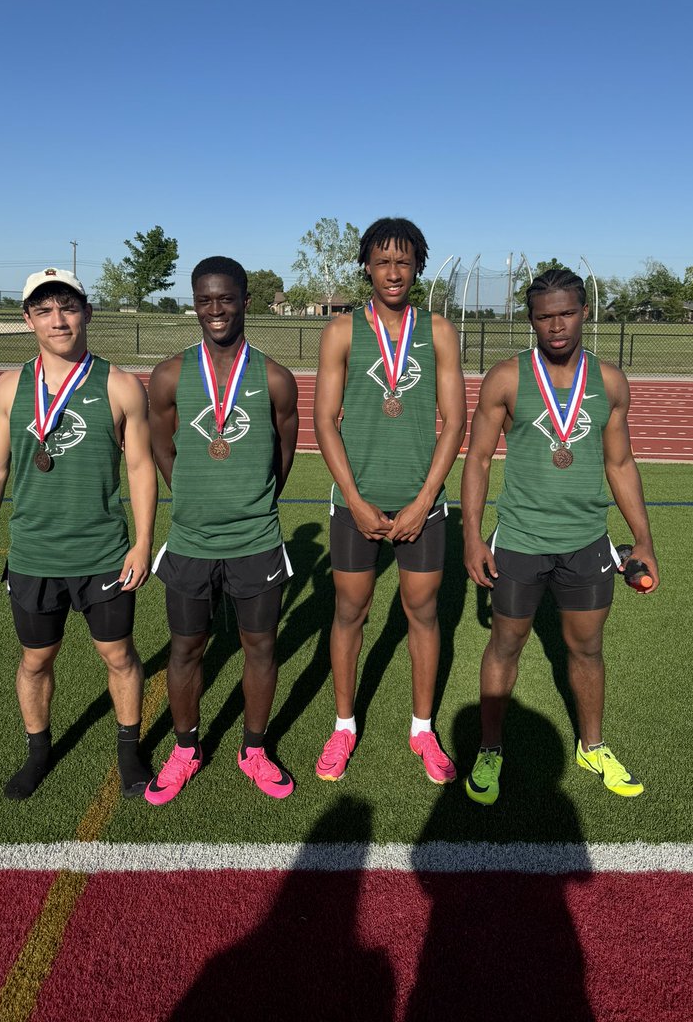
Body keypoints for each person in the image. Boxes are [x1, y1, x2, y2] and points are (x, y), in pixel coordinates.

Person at [461, 267, 659, 805]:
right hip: (521, 540)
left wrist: (642, 539)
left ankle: (592, 746)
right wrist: (473, 536)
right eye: (545, 316)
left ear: (584, 313)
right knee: (505, 644)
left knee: (587, 648)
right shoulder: (506, 378)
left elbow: (620, 464)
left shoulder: (611, 382)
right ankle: (490, 748)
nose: (556, 326)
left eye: (566, 313)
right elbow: (477, 459)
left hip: (588, 541)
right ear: (531, 320)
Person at [0, 268, 158, 801]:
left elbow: (141, 468)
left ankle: (128, 751)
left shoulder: (119, 384)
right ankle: (37, 751)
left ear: (87, 312)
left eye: (68, 307)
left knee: (118, 655)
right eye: (45, 310)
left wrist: (142, 542)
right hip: (33, 555)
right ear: (28, 319)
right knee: (35, 659)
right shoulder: (11, 385)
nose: (59, 319)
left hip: (103, 554)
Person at [313, 218, 467, 784]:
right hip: (356, 505)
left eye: (403, 262)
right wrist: (352, 498)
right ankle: (344, 726)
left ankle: (422, 729)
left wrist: (426, 499)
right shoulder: (343, 331)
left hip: (421, 506)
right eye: (382, 262)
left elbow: (455, 421)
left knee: (423, 615)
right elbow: (323, 421)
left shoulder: (441, 331)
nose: (393, 272)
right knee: (349, 612)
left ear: (418, 266)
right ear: (368, 267)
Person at [145, 256, 298, 803]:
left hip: (256, 542)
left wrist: (252, 502)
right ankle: (187, 748)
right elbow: (162, 449)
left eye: (226, 299)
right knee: (185, 651)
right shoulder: (169, 374)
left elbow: (284, 452)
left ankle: (253, 749)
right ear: (194, 302)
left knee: (261, 648)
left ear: (245, 302)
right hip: (190, 542)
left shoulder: (275, 377)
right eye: (205, 300)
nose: (216, 310)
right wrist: (192, 495)